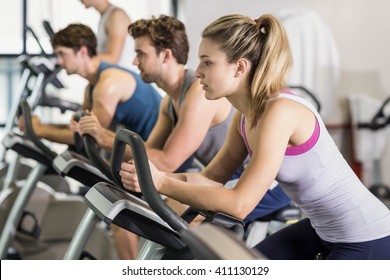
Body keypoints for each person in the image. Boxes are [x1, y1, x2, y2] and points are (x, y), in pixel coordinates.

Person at [119, 13, 390, 260]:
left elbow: (240, 204)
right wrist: (150, 178)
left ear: (239, 67)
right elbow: (211, 179)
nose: (198, 72)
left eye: (207, 63)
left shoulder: (279, 112)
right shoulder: (245, 115)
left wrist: (163, 183)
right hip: (323, 230)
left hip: (365, 236)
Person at [18, 23, 162, 260]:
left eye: (62, 54)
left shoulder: (108, 84)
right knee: (112, 208)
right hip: (131, 156)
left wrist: (39, 128)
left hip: (155, 158)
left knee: (120, 216)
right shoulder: (93, 86)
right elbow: (78, 130)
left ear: (83, 51)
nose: (59, 62)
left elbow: (89, 136)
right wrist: (39, 127)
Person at [79, 0, 136, 70]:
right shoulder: (105, 16)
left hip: (125, 78)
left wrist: (80, 56)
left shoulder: (116, 15)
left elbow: (112, 58)